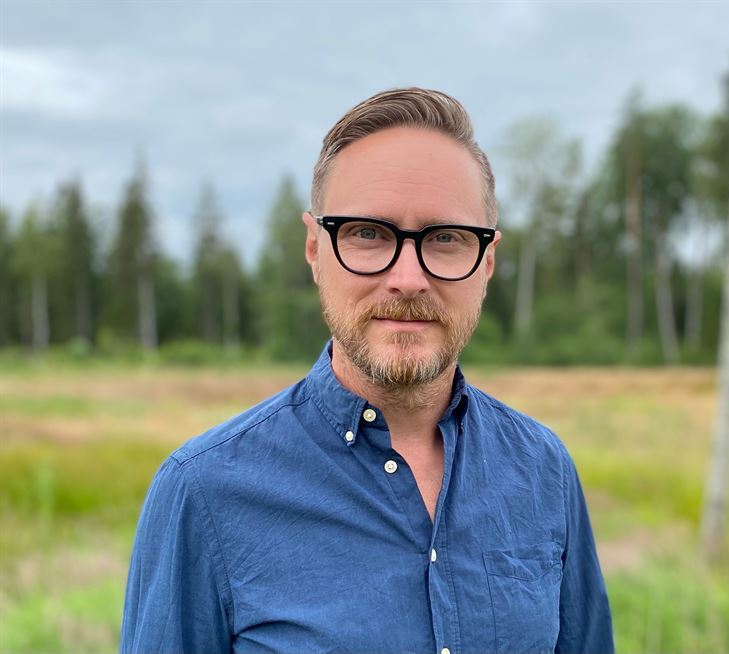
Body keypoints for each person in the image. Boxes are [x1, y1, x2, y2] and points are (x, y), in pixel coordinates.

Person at [120, 87, 613, 654]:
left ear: (488, 261)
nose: (408, 279)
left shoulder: (543, 469)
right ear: (315, 249)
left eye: (445, 238)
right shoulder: (202, 492)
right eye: (368, 234)